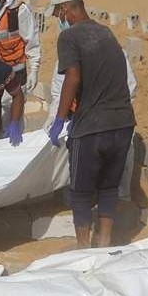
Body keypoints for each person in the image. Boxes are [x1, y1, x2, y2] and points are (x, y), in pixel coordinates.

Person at [46, 0, 136, 249]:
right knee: (109, 187)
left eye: (58, 14)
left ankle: (83, 248)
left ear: (66, 9)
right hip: (122, 124)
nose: (59, 19)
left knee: (81, 191)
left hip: (91, 128)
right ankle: (105, 240)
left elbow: (72, 77)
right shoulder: (106, 33)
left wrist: (59, 120)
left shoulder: (70, 37)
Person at [45, 41, 138, 200]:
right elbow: (59, 92)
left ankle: (119, 198)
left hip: (112, 118)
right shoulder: (68, 56)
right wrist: (55, 117)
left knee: (117, 160)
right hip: (79, 118)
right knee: (79, 160)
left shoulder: (115, 54)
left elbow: (129, 89)